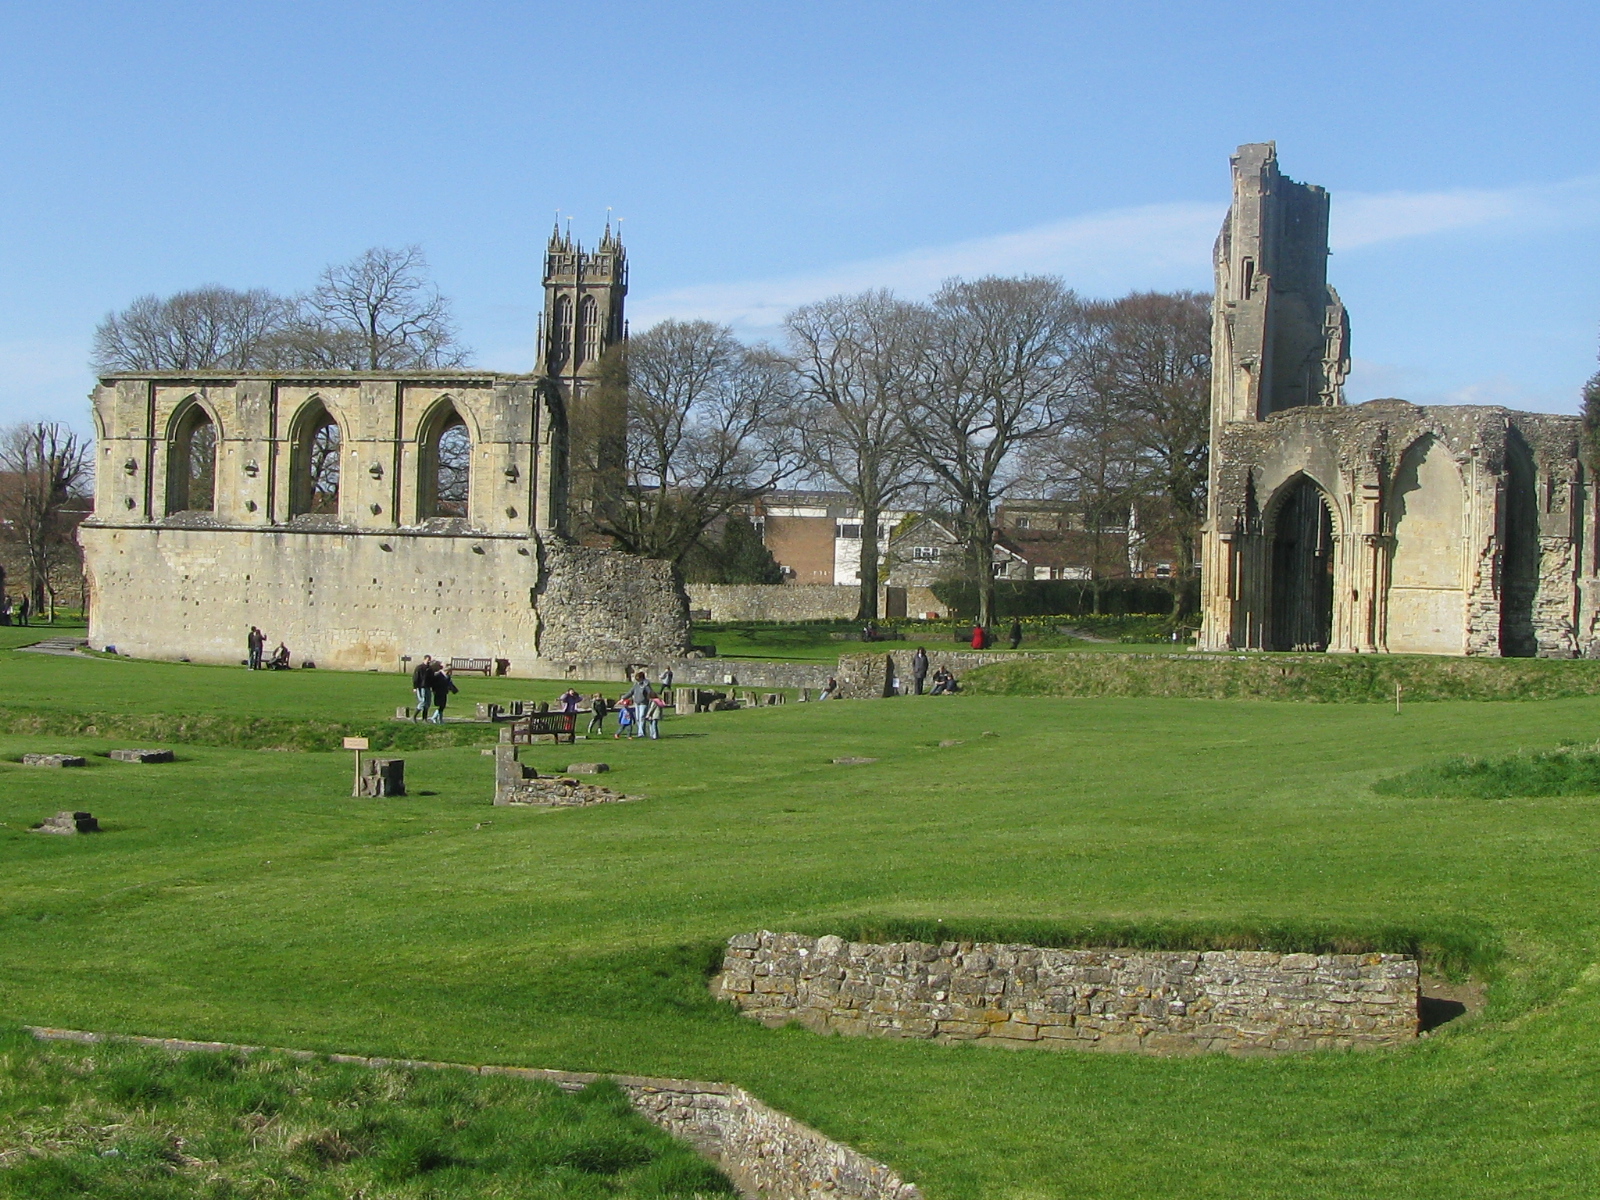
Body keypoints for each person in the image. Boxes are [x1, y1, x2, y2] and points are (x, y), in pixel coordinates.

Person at [629, 671, 653, 738]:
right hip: (637, 703)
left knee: (642, 717)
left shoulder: (645, 685)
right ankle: (642, 731)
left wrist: (650, 698)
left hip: (644, 703)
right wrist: (623, 698)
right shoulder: (636, 684)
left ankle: (641, 733)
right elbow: (631, 692)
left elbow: (650, 692)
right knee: (637, 718)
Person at [410, 655, 435, 720]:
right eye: (428, 659)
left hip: (428, 687)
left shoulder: (430, 669)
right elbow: (416, 677)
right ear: (424, 659)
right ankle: (414, 716)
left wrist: (432, 687)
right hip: (421, 687)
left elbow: (432, 679)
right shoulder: (419, 668)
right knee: (422, 701)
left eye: (430, 660)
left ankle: (424, 718)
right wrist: (415, 687)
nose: (429, 661)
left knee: (428, 703)